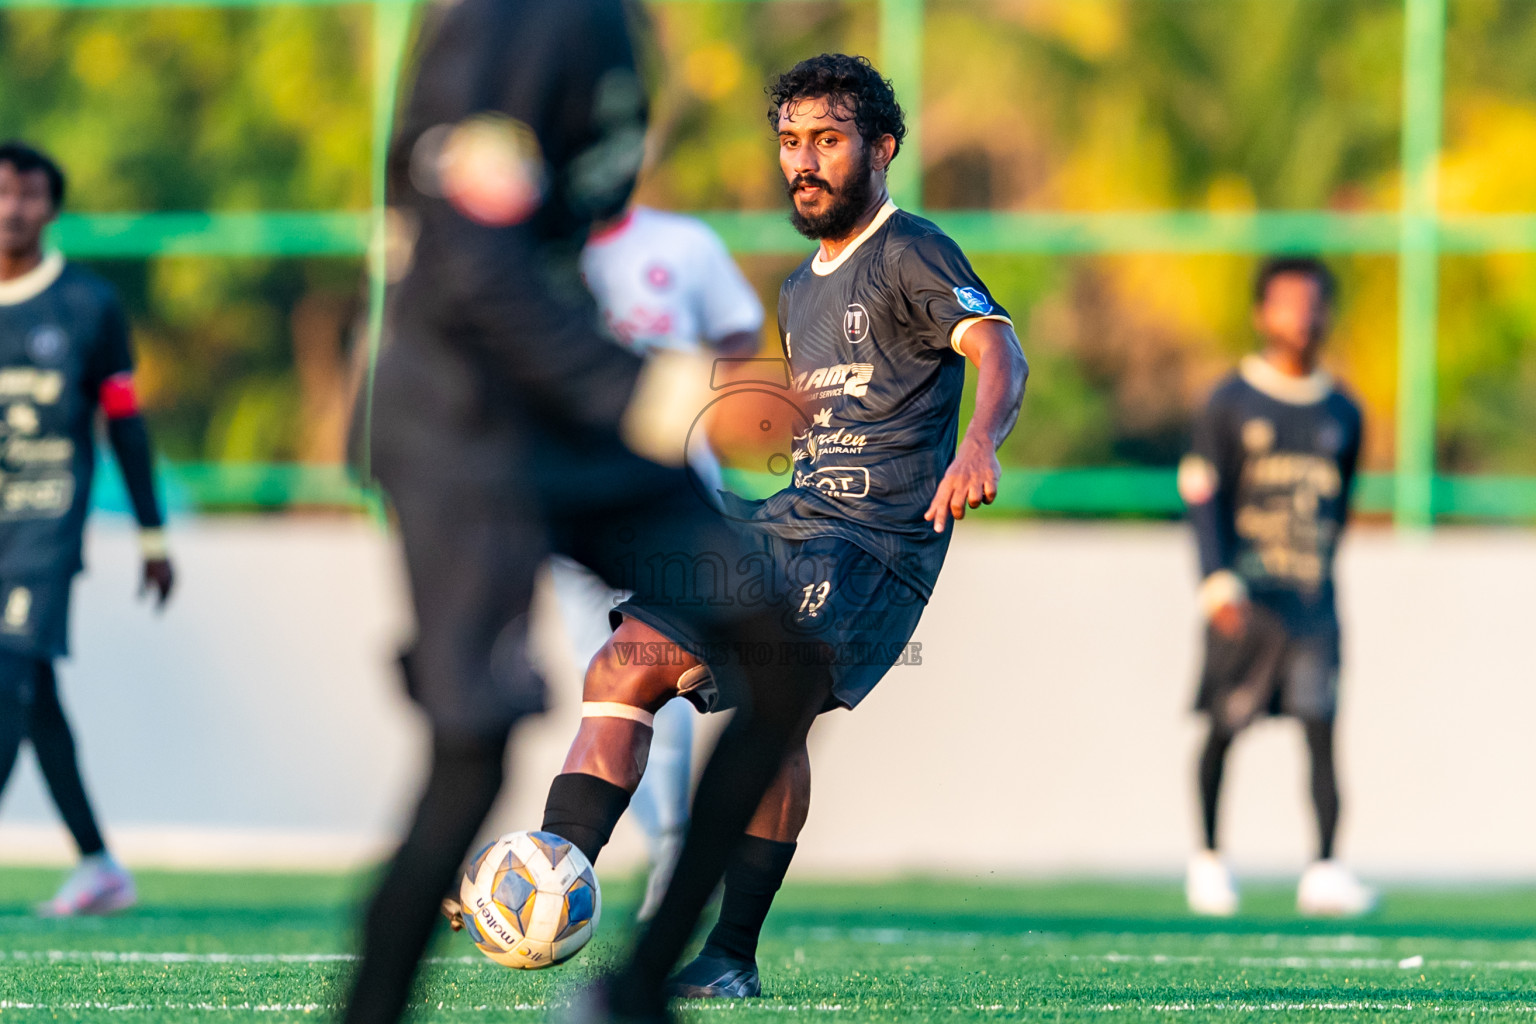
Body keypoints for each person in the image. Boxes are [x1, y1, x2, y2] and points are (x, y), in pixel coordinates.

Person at [344, 4, 835, 1022]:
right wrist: (655, 396)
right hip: (460, 425)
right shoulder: (508, 26)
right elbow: (473, 271)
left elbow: (556, 242)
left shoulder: (609, 25)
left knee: (780, 659)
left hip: (568, 416)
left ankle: (635, 993)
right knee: (472, 748)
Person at [546, 52, 1028, 1005]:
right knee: (621, 664)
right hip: (792, 518)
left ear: (881, 149)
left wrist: (979, 442)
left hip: (875, 539)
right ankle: (543, 869)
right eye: (790, 143)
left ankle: (727, 953)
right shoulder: (802, 286)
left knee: (777, 701)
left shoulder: (912, 248)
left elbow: (996, 347)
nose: (804, 162)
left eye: (829, 141)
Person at [557, 201, 765, 921]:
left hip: (673, 498)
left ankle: (675, 857)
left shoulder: (683, 241)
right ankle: (569, 862)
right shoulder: (531, 244)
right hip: (570, 496)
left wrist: (704, 392)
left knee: (648, 674)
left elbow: (740, 325)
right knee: (603, 686)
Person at [0, 141, 175, 916]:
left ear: (52, 208)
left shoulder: (87, 305)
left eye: (30, 196)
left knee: (8, 673)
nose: (13, 209)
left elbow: (126, 429)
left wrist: (152, 536)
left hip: (44, 528)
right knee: (34, 696)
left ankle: (99, 864)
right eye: (3, 193)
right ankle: (99, 863)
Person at [1178, 256, 1372, 918]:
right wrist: (1216, 581)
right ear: (1263, 314)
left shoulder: (1343, 410)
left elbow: (1340, 505)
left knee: (1321, 729)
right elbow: (1203, 497)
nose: (1303, 316)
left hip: (1312, 603)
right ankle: (1207, 860)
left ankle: (1324, 867)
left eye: (1314, 303)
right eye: (1288, 303)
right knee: (1225, 728)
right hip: (1245, 604)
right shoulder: (1230, 401)